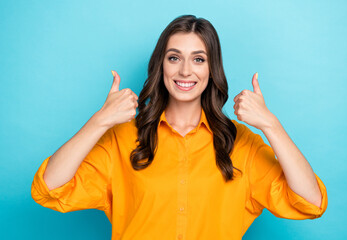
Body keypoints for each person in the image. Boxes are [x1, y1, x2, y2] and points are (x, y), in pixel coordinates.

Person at [31, 14, 328, 239]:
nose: (185, 70)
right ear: (161, 65)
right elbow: (48, 188)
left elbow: (310, 202)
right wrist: (101, 120)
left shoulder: (242, 145)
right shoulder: (122, 138)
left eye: (198, 59)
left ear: (212, 70)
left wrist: (271, 125)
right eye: (174, 58)